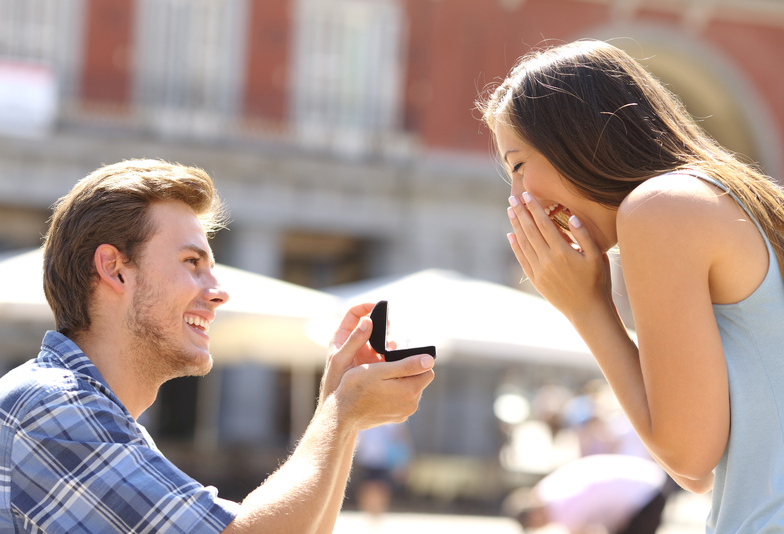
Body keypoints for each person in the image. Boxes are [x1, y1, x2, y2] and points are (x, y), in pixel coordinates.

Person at [0, 159, 435, 533]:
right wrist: (340, 414)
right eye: (192, 263)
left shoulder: (92, 417)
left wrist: (340, 402)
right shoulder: (52, 406)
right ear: (114, 269)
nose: (218, 291)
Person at [477, 39, 784, 532]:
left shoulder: (660, 208)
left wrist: (587, 308)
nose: (517, 196)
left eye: (516, 166)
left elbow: (690, 458)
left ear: (575, 138)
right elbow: (701, 464)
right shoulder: (728, 201)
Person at [502, 454, 669, 534]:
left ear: (534, 515)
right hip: (645, 479)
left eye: (533, 526)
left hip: (645, 495)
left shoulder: (561, 508)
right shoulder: (547, 489)